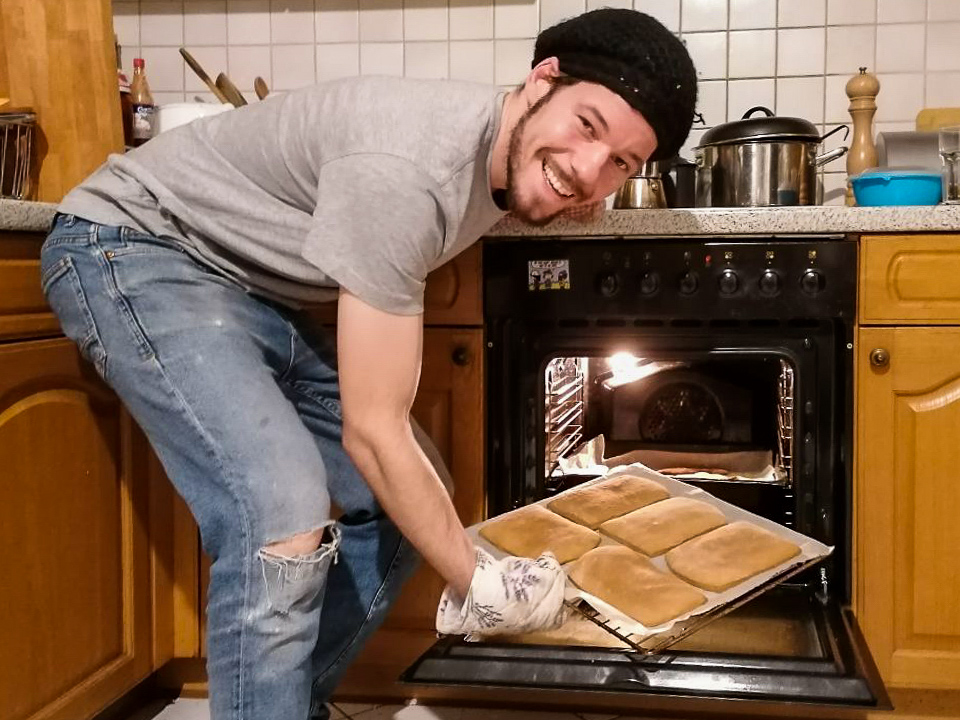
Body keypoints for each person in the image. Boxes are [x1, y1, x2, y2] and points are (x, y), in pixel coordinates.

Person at [40, 8, 696, 720]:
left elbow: (539, 182)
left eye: (621, 164)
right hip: (132, 247)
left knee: (410, 493)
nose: (589, 170)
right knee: (279, 510)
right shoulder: (405, 169)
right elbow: (373, 432)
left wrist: (569, 189)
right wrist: (481, 581)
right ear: (541, 81)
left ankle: (283, 703)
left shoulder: (501, 147)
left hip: (248, 290)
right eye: (588, 126)